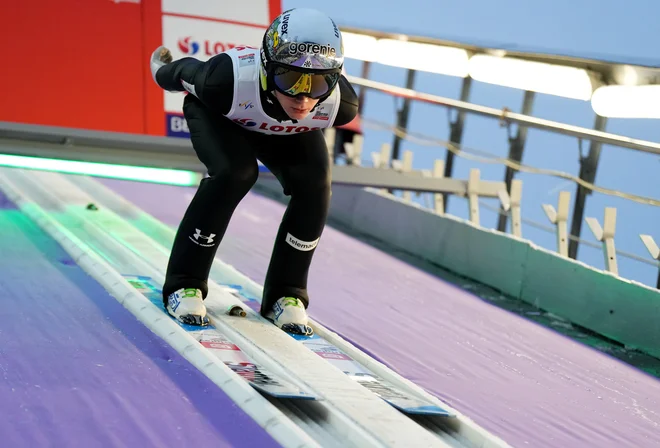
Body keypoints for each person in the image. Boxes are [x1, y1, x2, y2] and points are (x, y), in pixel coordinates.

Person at [149, 8, 359, 336]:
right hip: (223, 117)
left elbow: (304, 101)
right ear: (265, 68)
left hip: (288, 131)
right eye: (289, 80)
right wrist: (161, 66)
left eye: (318, 85)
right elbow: (181, 73)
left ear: (334, 79)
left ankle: (286, 293)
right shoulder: (224, 80)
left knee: (316, 186)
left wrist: (296, 91)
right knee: (235, 173)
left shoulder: (340, 105)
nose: (303, 98)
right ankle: (184, 283)